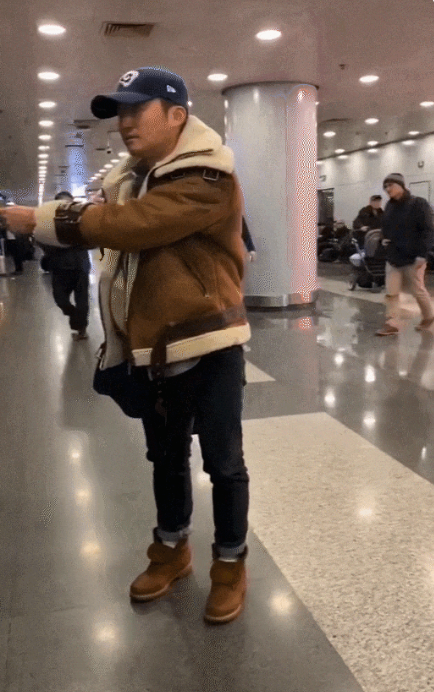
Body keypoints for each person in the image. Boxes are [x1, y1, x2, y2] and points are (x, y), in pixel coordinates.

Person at [1, 67, 251, 625]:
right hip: (154, 348)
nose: (125, 122)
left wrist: (38, 219)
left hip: (210, 342)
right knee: (166, 458)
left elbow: (133, 226)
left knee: (225, 463)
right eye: (120, 111)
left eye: (138, 109)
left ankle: (231, 564)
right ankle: (171, 549)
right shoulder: (133, 179)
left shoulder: (207, 175)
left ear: (177, 116)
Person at [375, 173, 434, 336]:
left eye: (391, 185)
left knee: (417, 290)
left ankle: (429, 317)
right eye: (385, 186)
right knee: (391, 292)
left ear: (401, 185)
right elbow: (385, 226)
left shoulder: (418, 203)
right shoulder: (389, 206)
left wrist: (423, 254)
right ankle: (391, 323)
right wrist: (383, 239)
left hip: (413, 257)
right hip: (393, 256)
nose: (387, 189)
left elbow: (428, 231)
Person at [39, 191, 91, 340]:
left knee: (82, 300)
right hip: (60, 267)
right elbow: (42, 241)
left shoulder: (82, 219)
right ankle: (75, 316)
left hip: (80, 265)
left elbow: (91, 240)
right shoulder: (49, 222)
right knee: (60, 299)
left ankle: (81, 329)